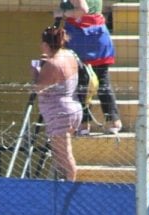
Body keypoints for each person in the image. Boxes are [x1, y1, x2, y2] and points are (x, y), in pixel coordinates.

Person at [58, 0, 122, 135]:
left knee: (81, 84)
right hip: (97, 35)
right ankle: (113, 120)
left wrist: (62, 13)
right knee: (102, 82)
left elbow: (83, 9)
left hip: (82, 38)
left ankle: (83, 124)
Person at [32, 25, 83, 181]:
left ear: (46, 45)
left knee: (64, 154)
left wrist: (35, 70)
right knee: (59, 152)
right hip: (73, 108)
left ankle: (70, 183)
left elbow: (38, 88)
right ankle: (63, 181)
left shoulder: (53, 64)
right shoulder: (70, 55)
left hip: (59, 112)